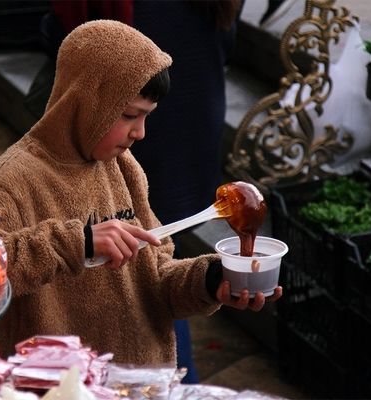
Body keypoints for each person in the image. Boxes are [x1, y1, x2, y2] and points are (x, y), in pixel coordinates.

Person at [0, 20, 282, 364]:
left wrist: (211, 281)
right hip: (63, 384)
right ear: (84, 102)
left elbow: (158, 277)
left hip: (143, 379)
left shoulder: (124, 168)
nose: (140, 132)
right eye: (130, 115)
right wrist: (81, 243)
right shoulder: (13, 182)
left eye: (147, 117)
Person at [130, 0, 243, 382]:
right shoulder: (22, 179)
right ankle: (179, 381)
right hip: (195, 112)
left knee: (147, 262)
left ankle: (177, 381)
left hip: (157, 128)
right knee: (153, 254)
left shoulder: (129, 131)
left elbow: (75, 36)